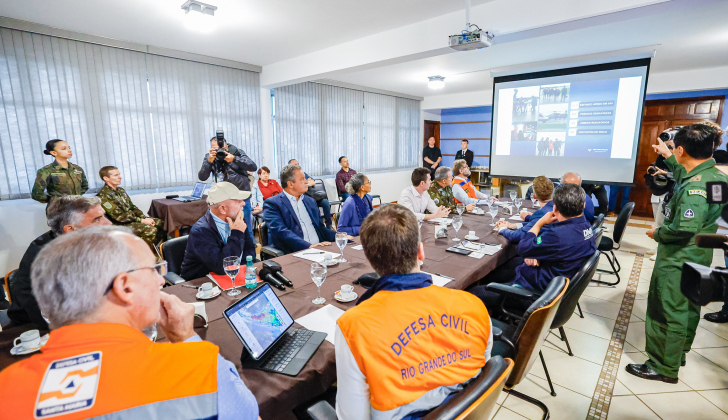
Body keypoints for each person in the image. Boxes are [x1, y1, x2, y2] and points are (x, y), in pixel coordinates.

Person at [0, 226, 259, 419]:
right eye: (154, 270)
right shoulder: (197, 368)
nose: (161, 281)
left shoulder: (7, 390)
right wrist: (186, 340)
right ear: (124, 286)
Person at [335, 204, 492, 420]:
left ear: (370, 260)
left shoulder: (353, 326)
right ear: (421, 251)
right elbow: (483, 372)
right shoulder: (474, 305)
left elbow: (352, 417)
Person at [627, 124, 728, 384]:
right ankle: (677, 353)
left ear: (682, 149)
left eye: (675, 149)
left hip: (679, 256)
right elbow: (688, 176)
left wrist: (657, 234)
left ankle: (662, 366)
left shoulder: (695, 189)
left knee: (668, 309)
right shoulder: (716, 177)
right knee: (688, 306)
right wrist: (670, 158)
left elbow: (684, 227)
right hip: (700, 254)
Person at [469, 183, 597, 306]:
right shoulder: (585, 226)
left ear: (555, 208)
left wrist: (539, 223)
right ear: (583, 205)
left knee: (473, 292)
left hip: (533, 293)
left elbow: (523, 247)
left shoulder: (556, 235)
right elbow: (555, 249)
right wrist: (538, 253)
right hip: (554, 283)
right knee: (498, 271)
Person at [5, 196, 112, 329]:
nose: (108, 223)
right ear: (70, 229)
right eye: (97, 219)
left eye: (103, 216)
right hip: (37, 332)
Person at [180, 182, 257, 280]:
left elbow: (250, 249)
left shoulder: (237, 219)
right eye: (238, 201)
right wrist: (237, 233)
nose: (243, 203)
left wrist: (240, 270)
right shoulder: (200, 231)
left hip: (233, 277)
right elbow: (221, 266)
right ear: (223, 209)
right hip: (201, 283)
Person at [263, 164, 337, 254]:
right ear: (290, 184)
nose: (306, 182)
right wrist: (309, 246)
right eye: (302, 179)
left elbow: (321, 228)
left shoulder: (310, 201)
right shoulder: (273, 204)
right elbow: (281, 232)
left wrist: (339, 237)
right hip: (294, 252)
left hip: (319, 249)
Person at [97, 166, 165, 251]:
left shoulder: (120, 191)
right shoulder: (103, 196)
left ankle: (158, 251)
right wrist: (141, 221)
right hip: (120, 224)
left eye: (119, 174)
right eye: (116, 175)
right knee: (150, 230)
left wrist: (144, 217)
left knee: (160, 223)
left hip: (132, 220)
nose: (120, 177)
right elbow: (119, 217)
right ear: (106, 178)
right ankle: (142, 254)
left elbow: (132, 207)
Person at [199, 135, 257, 228]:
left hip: (240, 197)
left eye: (220, 148)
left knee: (245, 228)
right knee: (225, 228)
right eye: (215, 148)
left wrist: (234, 159)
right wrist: (209, 161)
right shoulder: (210, 157)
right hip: (222, 199)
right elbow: (202, 177)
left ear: (226, 147)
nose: (218, 151)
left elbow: (253, 167)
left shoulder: (237, 152)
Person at [31, 139, 89, 209]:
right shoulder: (46, 171)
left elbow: (85, 186)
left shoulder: (77, 169)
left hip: (78, 207)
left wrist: (75, 198)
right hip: (59, 210)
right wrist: (56, 201)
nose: (69, 150)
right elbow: (37, 194)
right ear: (54, 153)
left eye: (69, 148)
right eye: (64, 148)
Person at [495, 176, 554, 243]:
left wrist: (503, 229)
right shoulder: (556, 206)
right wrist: (513, 225)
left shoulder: (541, 213)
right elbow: (534, 224)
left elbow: (517, 236)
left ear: (534, 196)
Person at [289, 159, 333, 229]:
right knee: (313, 204)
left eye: (298, 164)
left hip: (314, 196)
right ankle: (320, 226)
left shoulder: (303, 174)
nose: (297, 166)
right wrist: (306, 183)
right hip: (304, 198)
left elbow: (312, 182)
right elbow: (298, 186)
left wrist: (305, 183)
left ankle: (329, 225)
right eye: (295, 164)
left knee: (325, 202)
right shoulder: (290, 177)